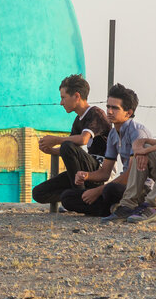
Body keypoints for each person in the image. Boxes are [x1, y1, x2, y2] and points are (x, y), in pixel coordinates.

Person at [64, 83, 153, 218]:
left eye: (115, 108)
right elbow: (105, 172)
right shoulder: (113, 134)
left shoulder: (137, 132)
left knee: (110, 190)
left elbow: (131, 175)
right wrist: (87, 176)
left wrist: (98, 191)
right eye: (108, 107)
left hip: (140, 189)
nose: (109, 111)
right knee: (67, 197)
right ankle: (113, 209)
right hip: (123, 187)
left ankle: (123, 208)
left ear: (128, 113)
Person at [32, 74, 110, 206]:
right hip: (83, 171)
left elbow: (83, 140)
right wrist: (51, 150)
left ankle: (80, 198)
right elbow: (71, 150)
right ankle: (77, 197)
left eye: (63, 98)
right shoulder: (78, 120)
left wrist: (56, 139)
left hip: (100, 171)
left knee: (67, 145)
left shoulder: (95, 114)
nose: (61, 103)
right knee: (39, 193)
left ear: (77, 96)